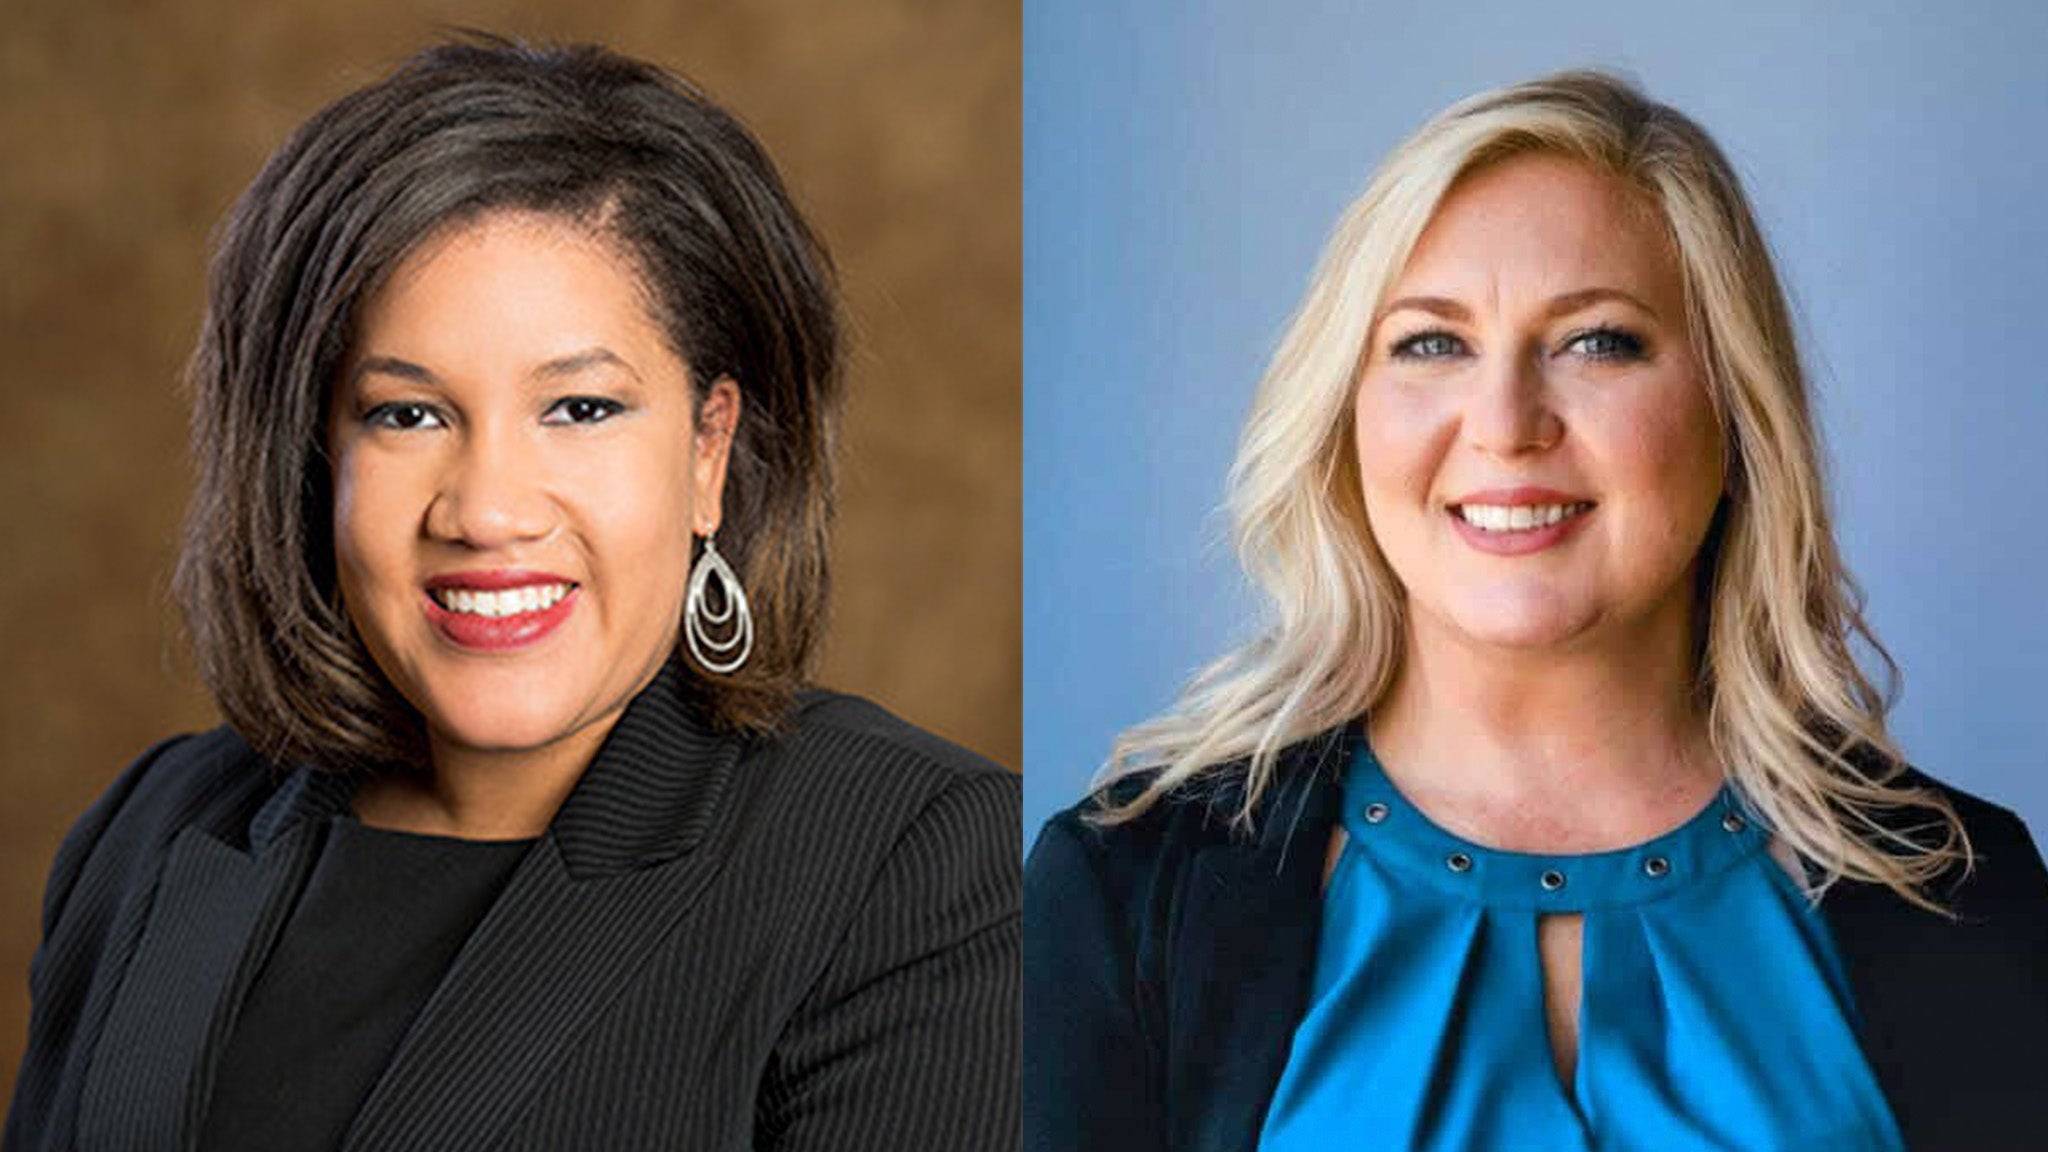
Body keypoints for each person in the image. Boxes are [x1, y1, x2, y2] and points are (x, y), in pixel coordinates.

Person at [7, 38, 1019, 1152]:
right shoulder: (155, 826)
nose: (486, 511)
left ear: (707, 451)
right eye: (406, 414)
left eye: (580, 409)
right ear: (314, 462)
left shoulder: (913, 866)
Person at [1025, 70, 2048, 1152]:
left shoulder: (1963, 893)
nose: (1505, 424)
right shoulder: (1119, 893)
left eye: (1597, 341)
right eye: (1431, 343)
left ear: (1732, 409)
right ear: (1343, 414)